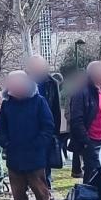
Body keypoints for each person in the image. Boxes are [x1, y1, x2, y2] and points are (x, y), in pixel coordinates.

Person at [0, 71, 55, 200]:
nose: (12, 88)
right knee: (18, 192)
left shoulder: (38, 101)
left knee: (40, 189)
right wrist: (6, 143)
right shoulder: (7, 104)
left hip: (35, 155)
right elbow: (2, 128)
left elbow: (48, 126)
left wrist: (38, 144)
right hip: (14, 155)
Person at [68, 61, 101, 183]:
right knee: (92, 177)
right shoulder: (81, 93)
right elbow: (76, 121)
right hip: (93, 143)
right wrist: (87, 142)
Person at [25, 55, 62, 187]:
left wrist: (55, 131)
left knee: (45, 159)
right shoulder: (22, 81)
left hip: (46, 126)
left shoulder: (51, 83)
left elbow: (56, 107)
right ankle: (31, 184)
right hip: (27, 127)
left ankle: (47, 186)